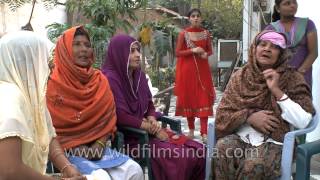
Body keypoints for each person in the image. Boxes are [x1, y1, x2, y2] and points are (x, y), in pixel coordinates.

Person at [213, 30, 315, 179]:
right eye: (263, 44)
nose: (267, 48)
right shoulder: (240, 77)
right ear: (255, 49)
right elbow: (222, 116)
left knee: (254, 165)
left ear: (281, 54)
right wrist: (249, 117)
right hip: (241, 137)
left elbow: (303, 122)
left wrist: (277, 90)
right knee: (222, 150)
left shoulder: (293, 78)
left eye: (274, 46)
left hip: (275, 141)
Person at [102, 34, 206, 180]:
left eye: (138, 50)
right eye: (132, 51)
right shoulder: (110, 78)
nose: (138, 55)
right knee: (180, 157)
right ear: (119, 53)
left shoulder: (139, 76)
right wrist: (152, 129)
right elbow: (121, 116)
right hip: (131, 139)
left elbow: (149, 104)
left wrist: (151, 117)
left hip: (148, 132)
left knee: (199, 150)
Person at [46, 26, 143, 180]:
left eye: (87, 45)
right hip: (65, 153)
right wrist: (76, 148)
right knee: (101, 177)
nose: (84, 49)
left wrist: (99, 143)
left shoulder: (99, 80)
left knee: (134, 170)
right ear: (64, 50)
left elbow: (108, 118)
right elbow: (48, 129)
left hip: (98, 148)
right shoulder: (52, 84)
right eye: (76, 44)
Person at [0, 31, 85, 179]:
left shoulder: (31, 96)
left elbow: (48, 137)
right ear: (29, 62)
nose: (51, 71)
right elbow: (9, 170)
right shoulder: (8, 99)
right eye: (46, 64)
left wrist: (67, 166)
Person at [174, 8, 215, 141]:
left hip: (203, 72)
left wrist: (204, 54)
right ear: (189, 18)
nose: (196, 18)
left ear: (201, 18)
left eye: (198, 16)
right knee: (189, 99)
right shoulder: (183, 34)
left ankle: (203, 132)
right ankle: (191, 130)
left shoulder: (206, 33)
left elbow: (209, 51)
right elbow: (178, 52)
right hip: (187, 72)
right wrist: (193, 50)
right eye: (193, 16)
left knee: (204, 98)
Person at [265, 0, 318, 87]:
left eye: (294, 2)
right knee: (279, 100)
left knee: (302, 99)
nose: (292, 5)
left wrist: (299, 73)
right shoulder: (271, 29)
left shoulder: (307, 24)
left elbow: (313, 53)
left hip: (302, 78)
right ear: (278, 8)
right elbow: (266, 54)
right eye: (287, 3)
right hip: (278, 79)